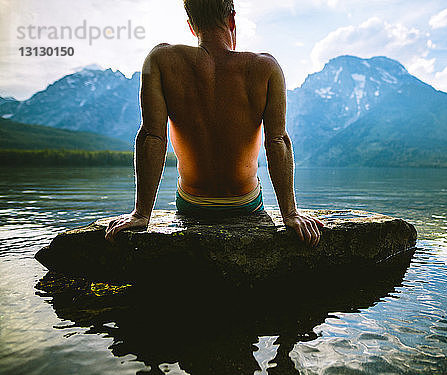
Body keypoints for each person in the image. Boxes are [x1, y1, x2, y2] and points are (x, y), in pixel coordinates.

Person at [104, 0, 323, 246]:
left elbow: (151, 137)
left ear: (191, 25)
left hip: (192, 204)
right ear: (232, 19)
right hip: (246, 203)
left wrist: (141, 214)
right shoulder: (265, 67)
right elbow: (277, 141)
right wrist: (290, 214)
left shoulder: (160, 61)